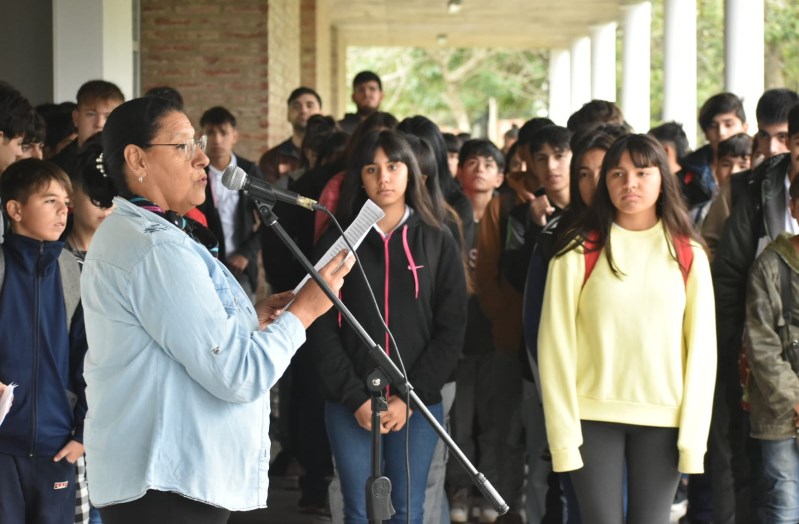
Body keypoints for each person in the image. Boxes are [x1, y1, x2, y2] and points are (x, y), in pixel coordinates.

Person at [78, 96, 354, 522]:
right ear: (137, 159)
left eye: (199, 143)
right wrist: (305, 314)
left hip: (169, 477)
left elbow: (177, 337)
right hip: (166, 485)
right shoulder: (154, 248)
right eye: (184, 146)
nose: (203, 158)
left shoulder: (147, 232)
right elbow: (237, 373)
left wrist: (250, 317)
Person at [538, 134, 716, 522]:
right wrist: (563, 436)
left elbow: (703, 354)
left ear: (662, 178)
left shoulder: (689, 254)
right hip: (591, 419)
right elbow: (554, 349)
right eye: (617, 173)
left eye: (642, 172)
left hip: (663, 421)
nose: (629, 183)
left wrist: (693, 439)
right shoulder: (577, 250)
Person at [308, 129, 467, 524]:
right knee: (359, 509)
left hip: (416, 404)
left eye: (394, 166)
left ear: (410, 172)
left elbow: (451, 330)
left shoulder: (438, 239)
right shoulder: (338, 242)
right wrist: (355, 398)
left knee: (408, 511)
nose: (384, 178)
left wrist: (409, 399)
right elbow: (319, 328)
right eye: (372, 168)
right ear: (358, 178)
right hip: (351, 403)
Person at [712, 102, 799, 524]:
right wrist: (731, 352)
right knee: (763, 481)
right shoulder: (753, 187)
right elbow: (729, 276)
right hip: (759, 366)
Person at [0, 158, 87, 523]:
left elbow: (91, 361)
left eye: (66, 202)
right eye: (50, 200)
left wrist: (83, 433)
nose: (63, 211)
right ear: (15, 210)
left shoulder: (75, 273)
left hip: (57, 447)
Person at [449, 138, 504, 523]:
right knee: (461, 423)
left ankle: (492, 492)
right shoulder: (450, 216)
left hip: (499, 335)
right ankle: (460, 491)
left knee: (494, 423)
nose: (480, 168)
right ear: (459, 170)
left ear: (500, 175)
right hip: (460, 335)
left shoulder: (510, 216)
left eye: (489, 163)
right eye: (472, 162)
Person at [745, 175, 799, 524]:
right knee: (784, 504)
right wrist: (795, 399)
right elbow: (760, 343)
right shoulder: (769, 265)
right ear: (793, 207)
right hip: (781, 413)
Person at [703, 88, 799, 256]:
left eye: (782, 136)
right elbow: (713, 250)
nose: (772, 148)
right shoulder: (742, 187)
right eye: (764, 135)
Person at [196, 105, 263, 300]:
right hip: (206, 264)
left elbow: (269, 220)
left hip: (240, 267)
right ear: (202, 136)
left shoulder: (248, 170)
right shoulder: (196, 171)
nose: (217, 140)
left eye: (223, 133)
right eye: (210, 133)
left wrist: (246, 253)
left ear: (234, 136)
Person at [678, 92, 747, 225]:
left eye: (728, 124)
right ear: (706, 133)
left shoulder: (759, 166)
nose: (721, 132)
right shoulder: (686, 175)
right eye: (713, 126)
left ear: (745, 127)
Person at [50, 80, 125, 177]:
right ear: (76, 118)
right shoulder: (56, 169)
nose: (99, 124)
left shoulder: (132, 165)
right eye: (91, 114)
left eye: (108, 116)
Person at [259, 86, 322, 183]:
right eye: (296, 106)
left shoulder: (335, 154)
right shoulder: (271, 158)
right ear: (288, 115)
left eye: (309, 105)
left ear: (321, 113)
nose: (303, 110)